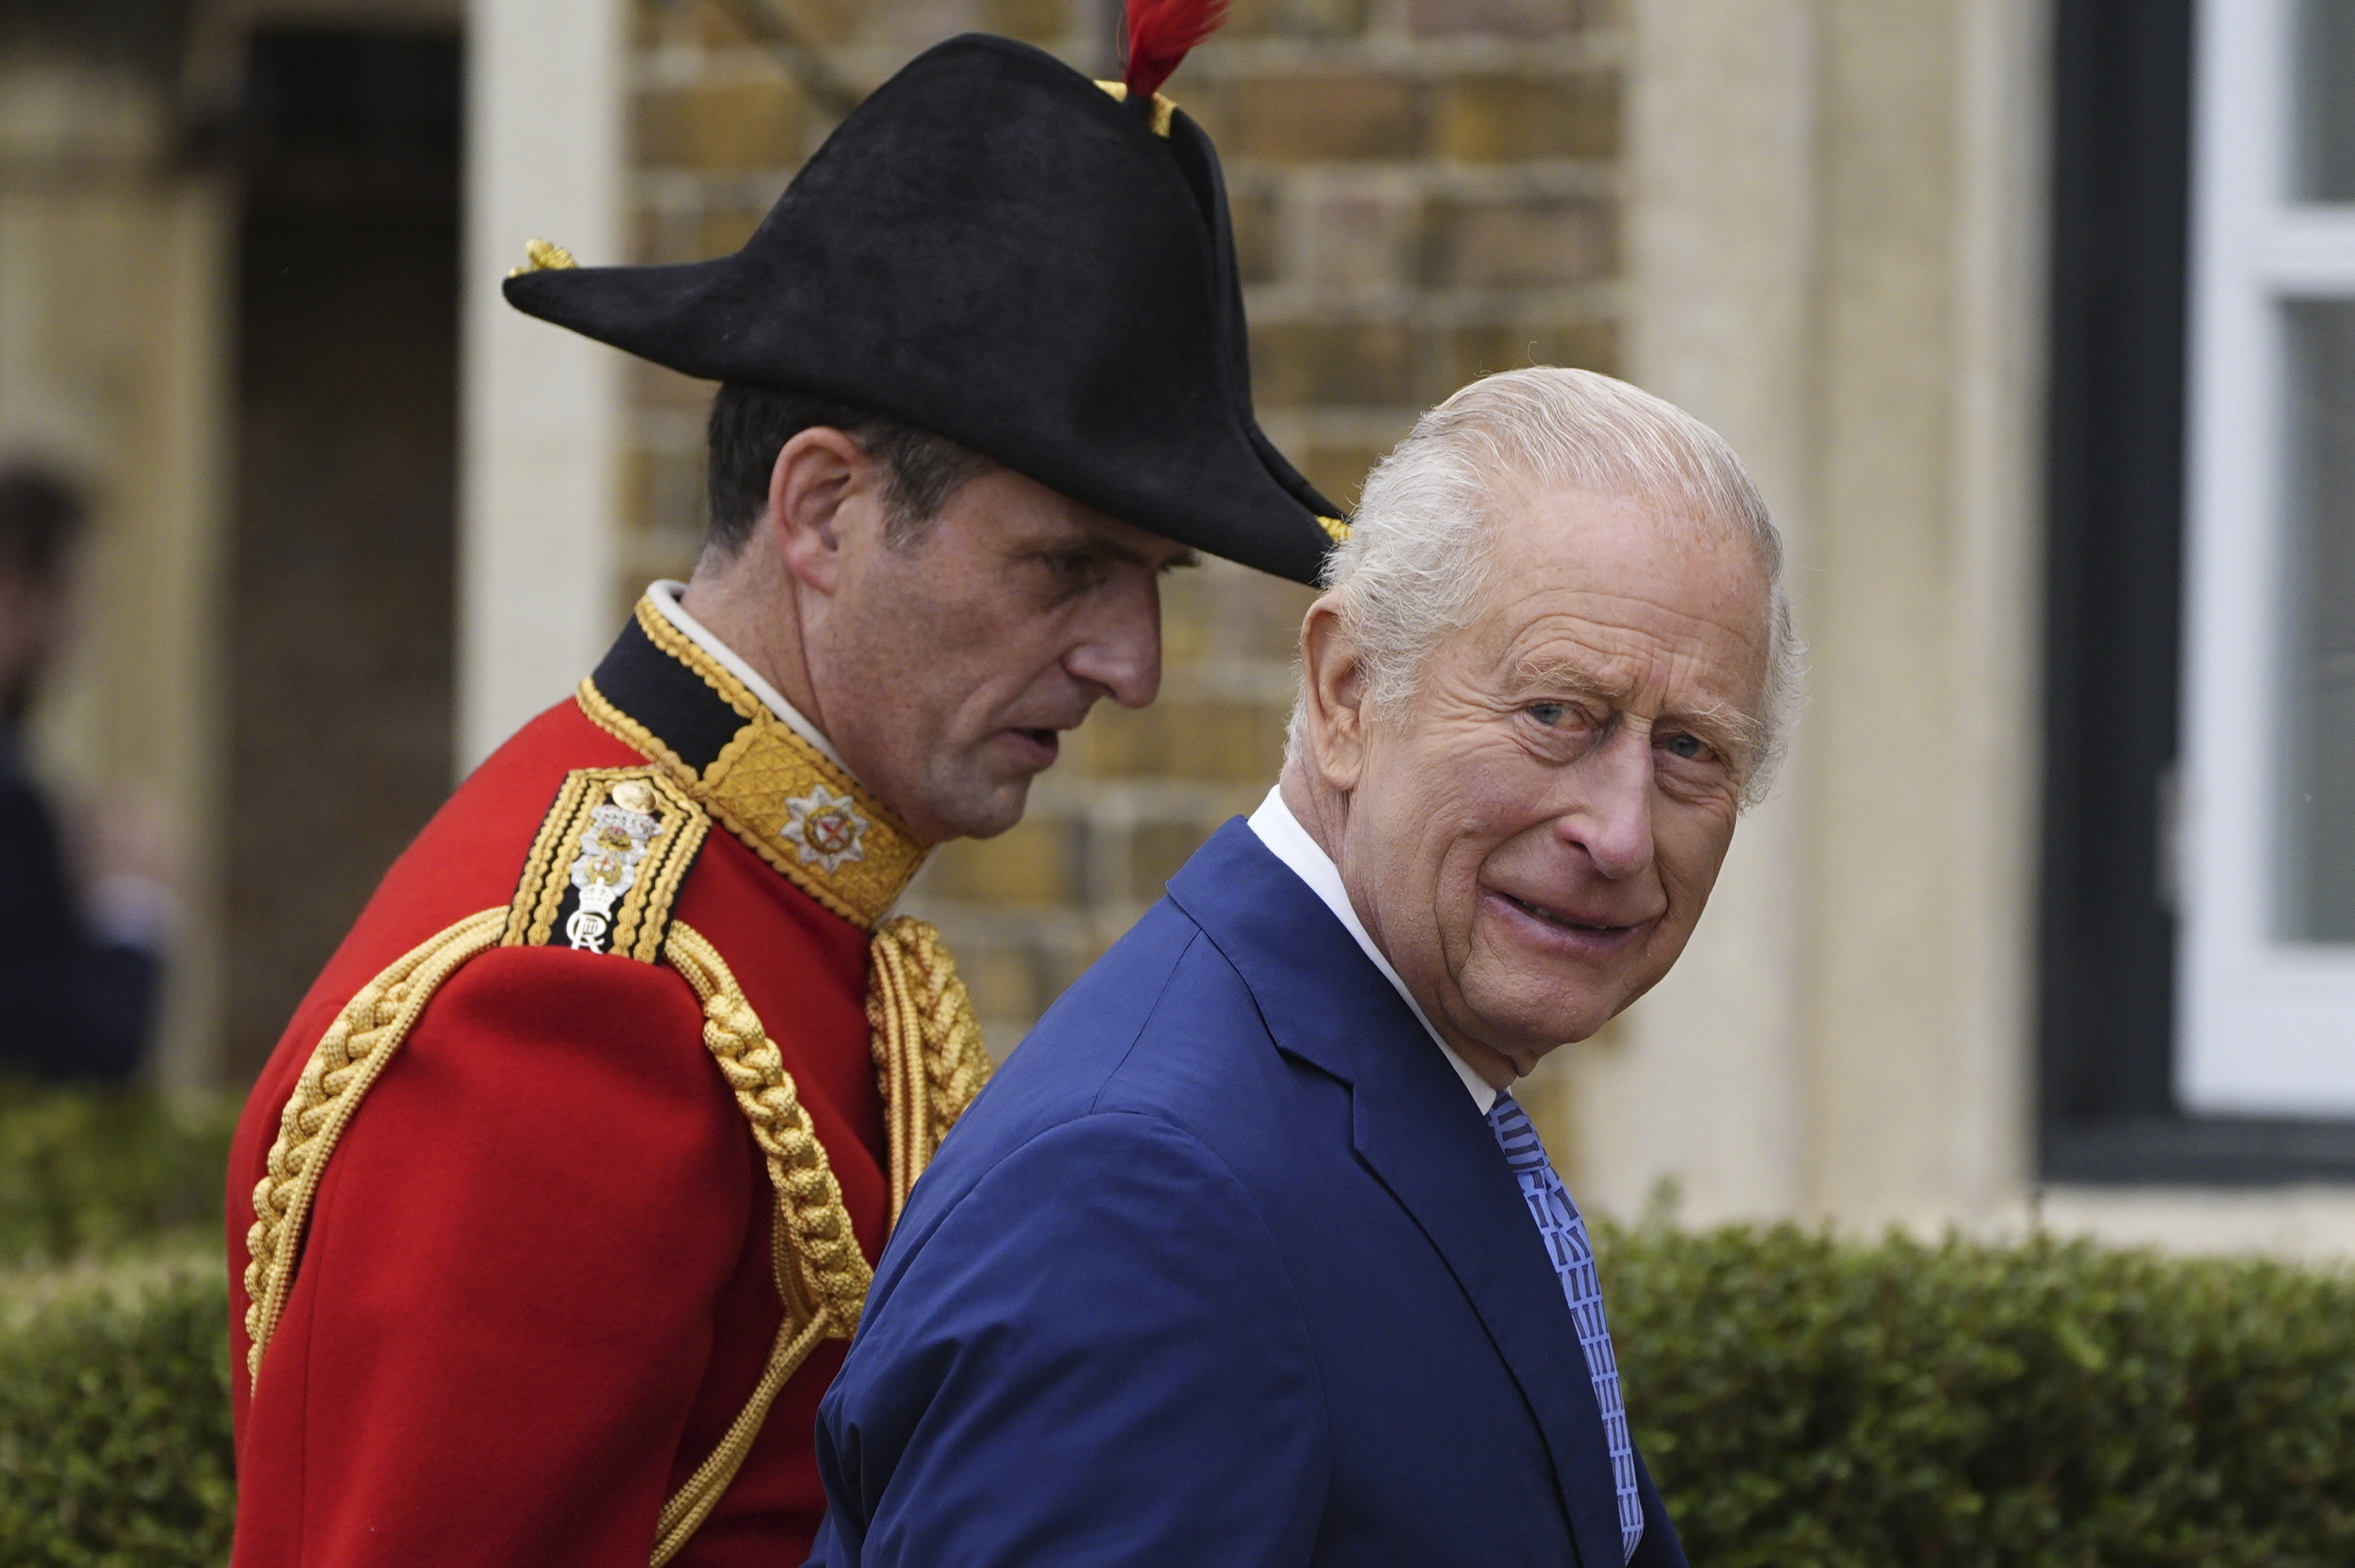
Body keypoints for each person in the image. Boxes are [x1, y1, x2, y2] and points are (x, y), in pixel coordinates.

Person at [225, 15, 1350, 1568]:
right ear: (822, 507)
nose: (1132, 663)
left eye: (1152, 579)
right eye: (1069, 566)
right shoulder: (572, 997)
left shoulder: (780, 911)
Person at [811, 367, 1800, 1568]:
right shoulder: (1144, 1195)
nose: (1622, 833)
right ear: (1347, 692)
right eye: (1557, 714)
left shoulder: (1383, 1090)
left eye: (1691, 749)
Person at [0, 462, 173, 1082]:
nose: (74, 634)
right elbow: (85, 1045)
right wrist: (130, 902)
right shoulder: (12, 807)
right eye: (70, 596)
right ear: (17, 590)